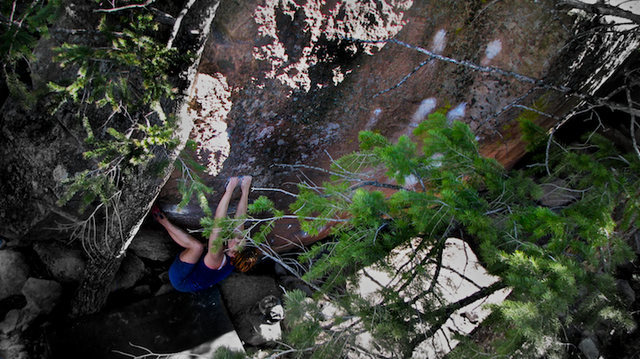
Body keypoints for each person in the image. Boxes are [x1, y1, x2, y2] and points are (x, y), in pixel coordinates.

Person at [152, 176, 253, 292]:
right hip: (201, 268)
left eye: (238, 243)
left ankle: (161, 219)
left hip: (182, 280)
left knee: (197, 247)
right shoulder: (237, 251)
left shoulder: (216, 258)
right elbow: (240, 219)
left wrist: (229, 190)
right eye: (242, 241)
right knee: (204, 247)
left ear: (234, 255)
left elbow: (218, 223)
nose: (238, 239)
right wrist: (245, 189)